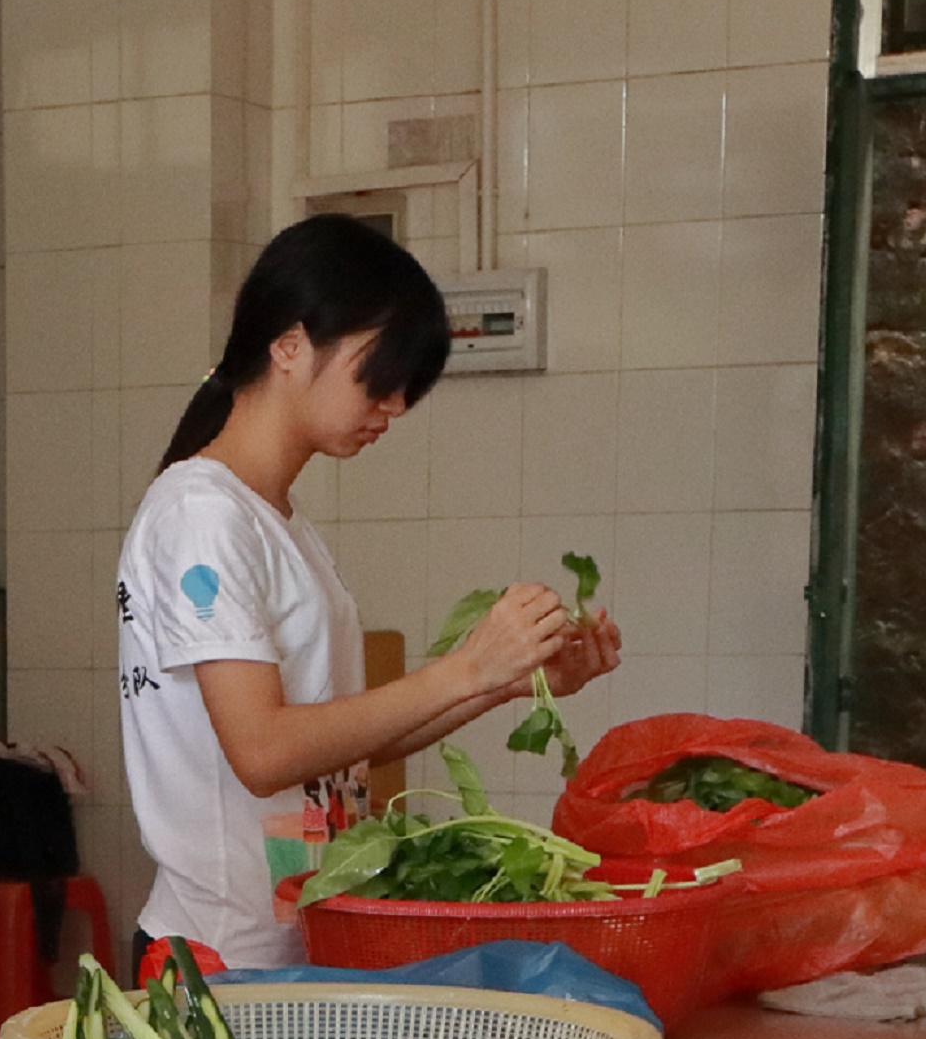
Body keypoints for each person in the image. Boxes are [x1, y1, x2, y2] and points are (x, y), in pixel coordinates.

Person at [113, 214, 622, 968]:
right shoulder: (201, 515)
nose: (395, 407)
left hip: (296, 936)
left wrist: (508, 683)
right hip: (220, 956)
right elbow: (262, 751)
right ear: (288, 346)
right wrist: (466, 668)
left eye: (405, 387)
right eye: (378, 379)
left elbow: (341, 745)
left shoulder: (277, 522)